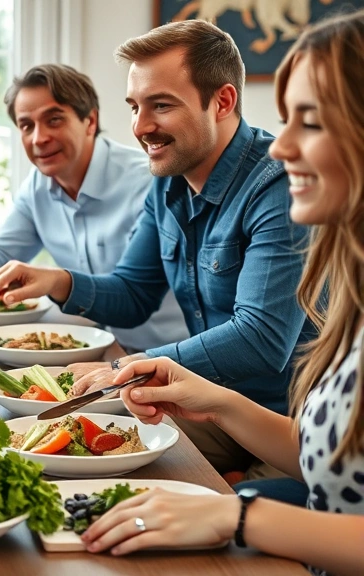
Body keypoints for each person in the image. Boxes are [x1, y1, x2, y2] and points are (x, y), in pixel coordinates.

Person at [0, 20, 313, 481]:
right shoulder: (170, 183)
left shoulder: (278, 186)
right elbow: (134, 293)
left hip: (292, 426)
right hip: (208, 406)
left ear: (223, 101)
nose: (140, 126)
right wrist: (59, 281)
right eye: (134, 106)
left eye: (161, 106)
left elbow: (261, 341)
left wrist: (125, 366)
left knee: (210, 525)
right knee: (70, 455)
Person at [81, 14, 364, 571]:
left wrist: (236, 515)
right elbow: (326, 456)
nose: (280, 148)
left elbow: (260, 343)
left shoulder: (271, 192)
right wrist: (213, 398)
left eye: (309, 122)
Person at [0, 64, 189, 352]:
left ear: (90, 121)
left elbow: (130, 294)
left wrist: (55, 280)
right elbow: (3, 254)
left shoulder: (150, 182)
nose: (38, 138)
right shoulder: (38, 185)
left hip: (171, 353)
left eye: (54, 120)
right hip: (96, 347)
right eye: (26, 125)